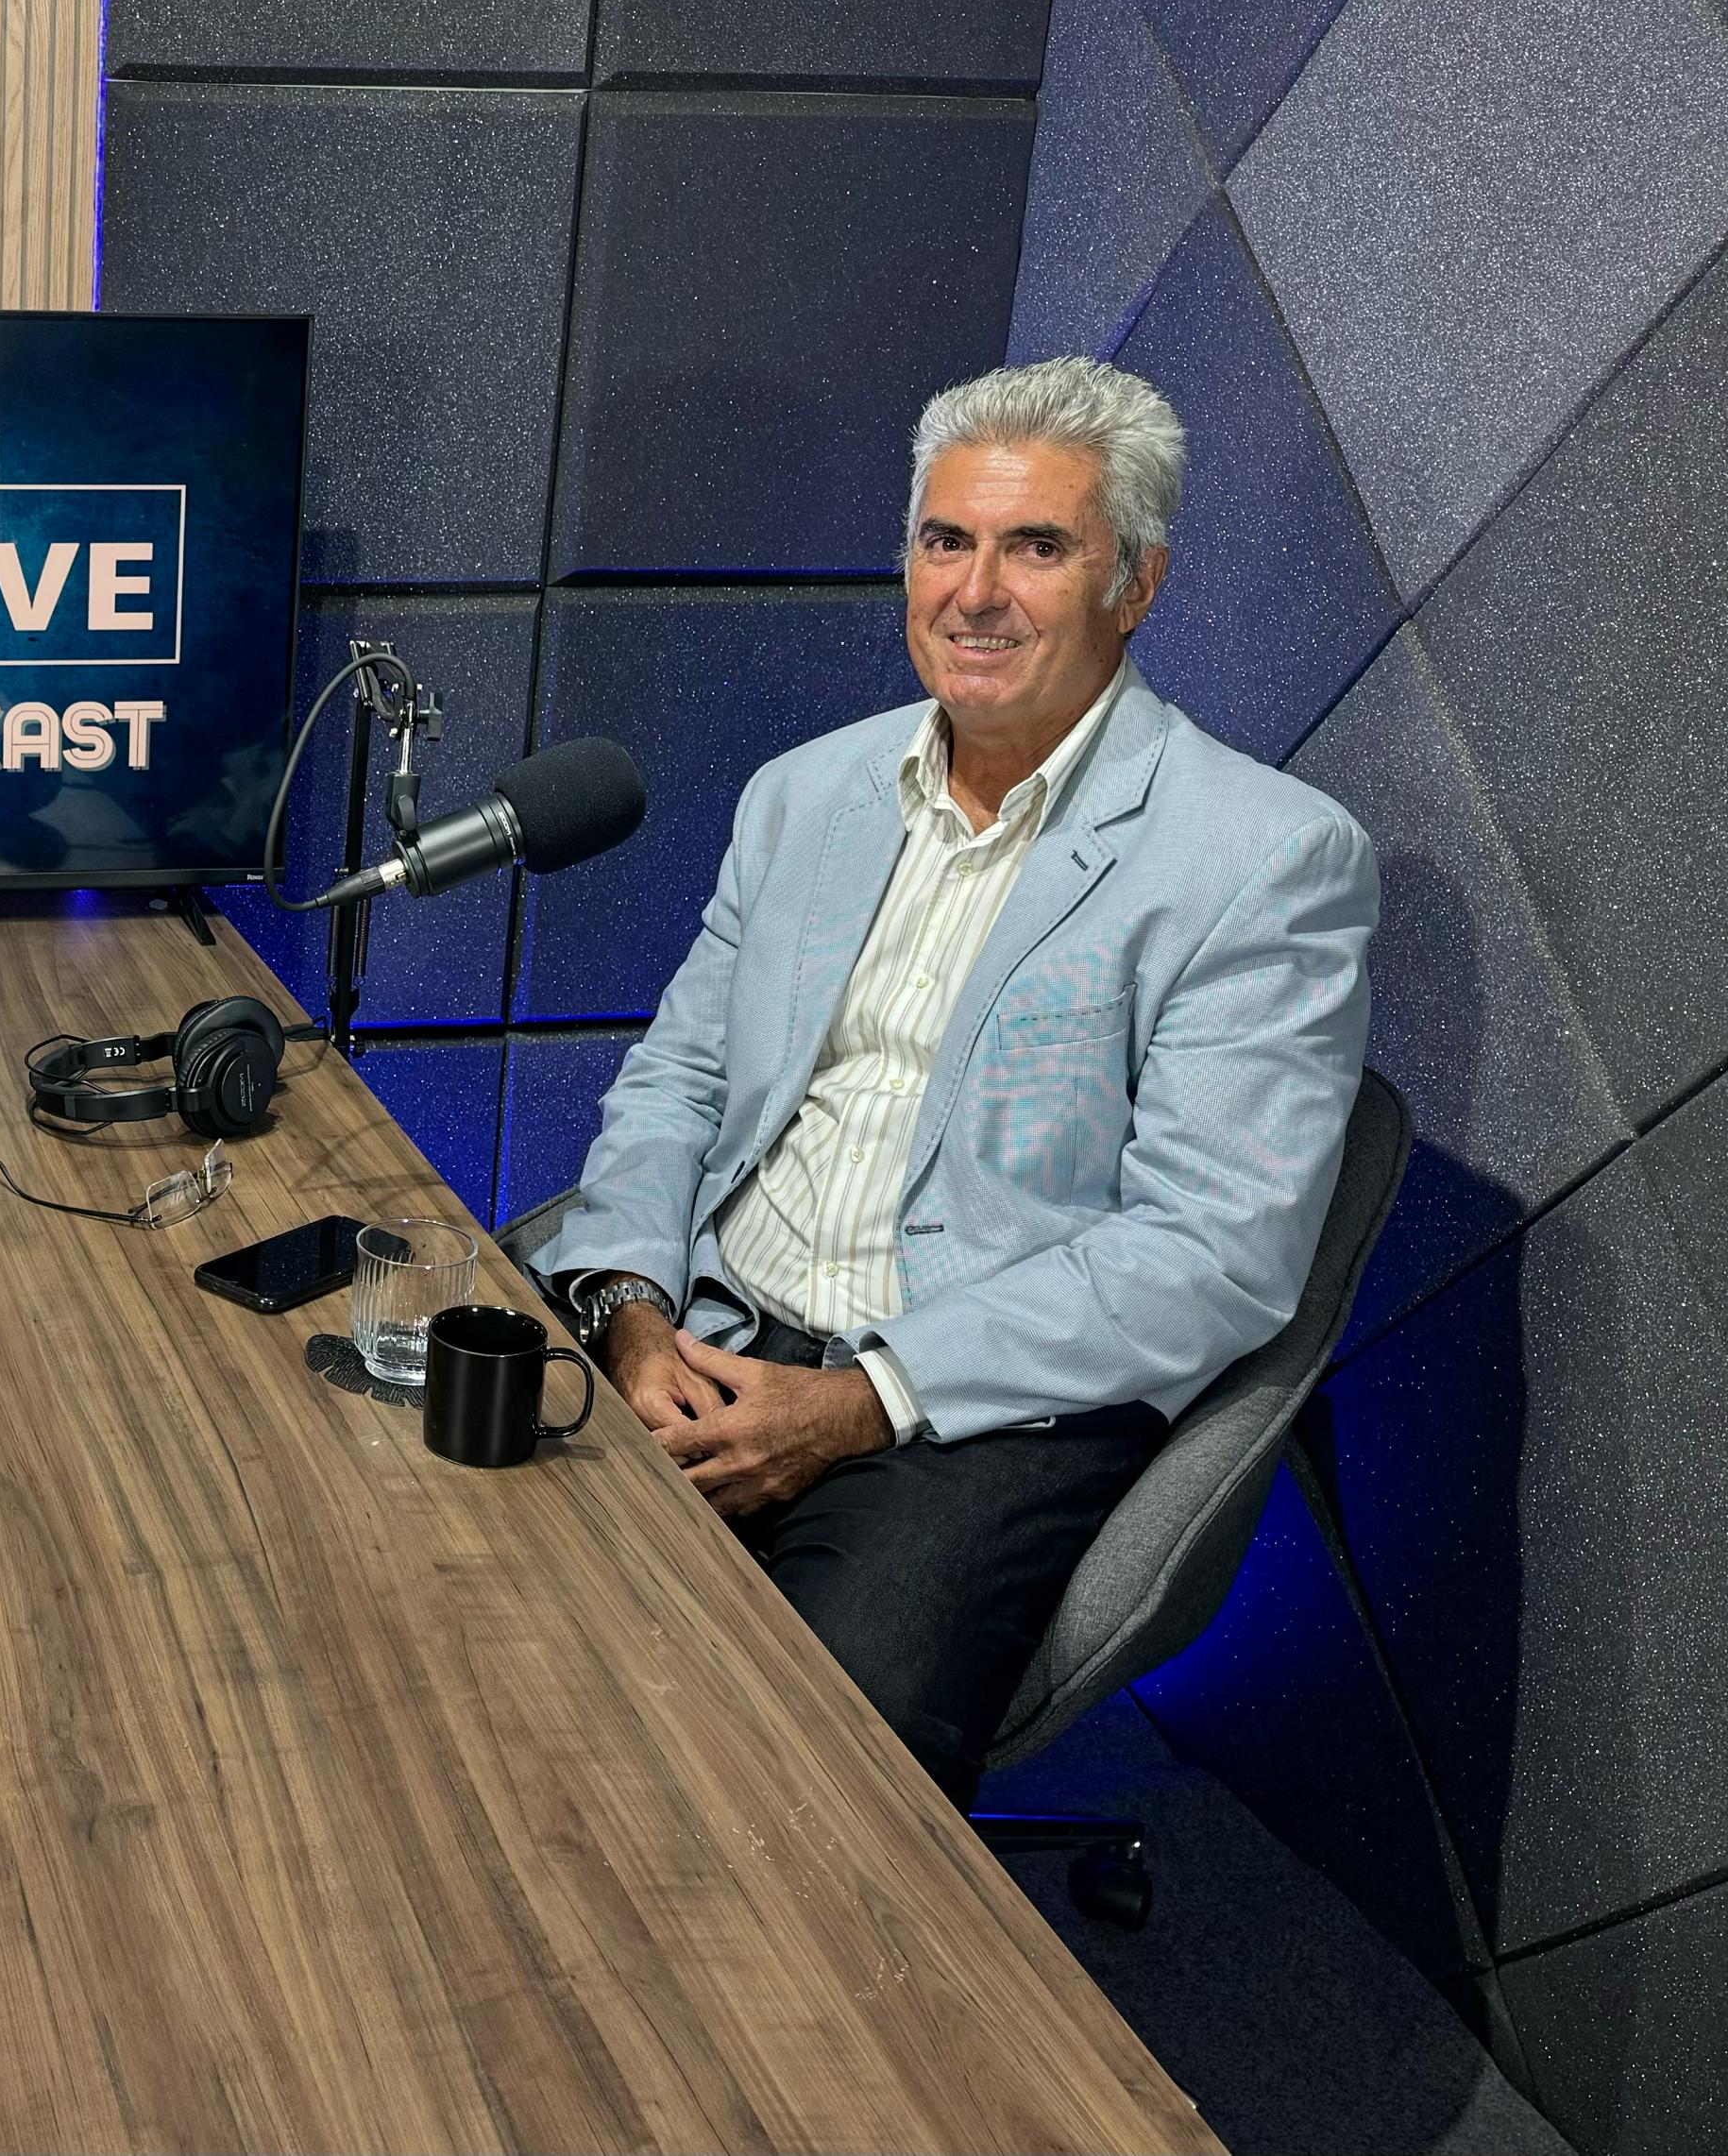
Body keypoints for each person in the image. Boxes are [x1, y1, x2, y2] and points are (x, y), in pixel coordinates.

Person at [532, 358, 1374, 1808]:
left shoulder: (1265, 858)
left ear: (1136, 585)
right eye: (945, 541)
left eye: (1037, 547)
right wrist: (627, 1305)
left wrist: (867, 1398)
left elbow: (1216, 1250)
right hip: (706, 1321)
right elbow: (679, 1078)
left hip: (972, 1410)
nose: (975, 593)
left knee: (804, 1797)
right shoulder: (807, 793)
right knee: (425, 1581)